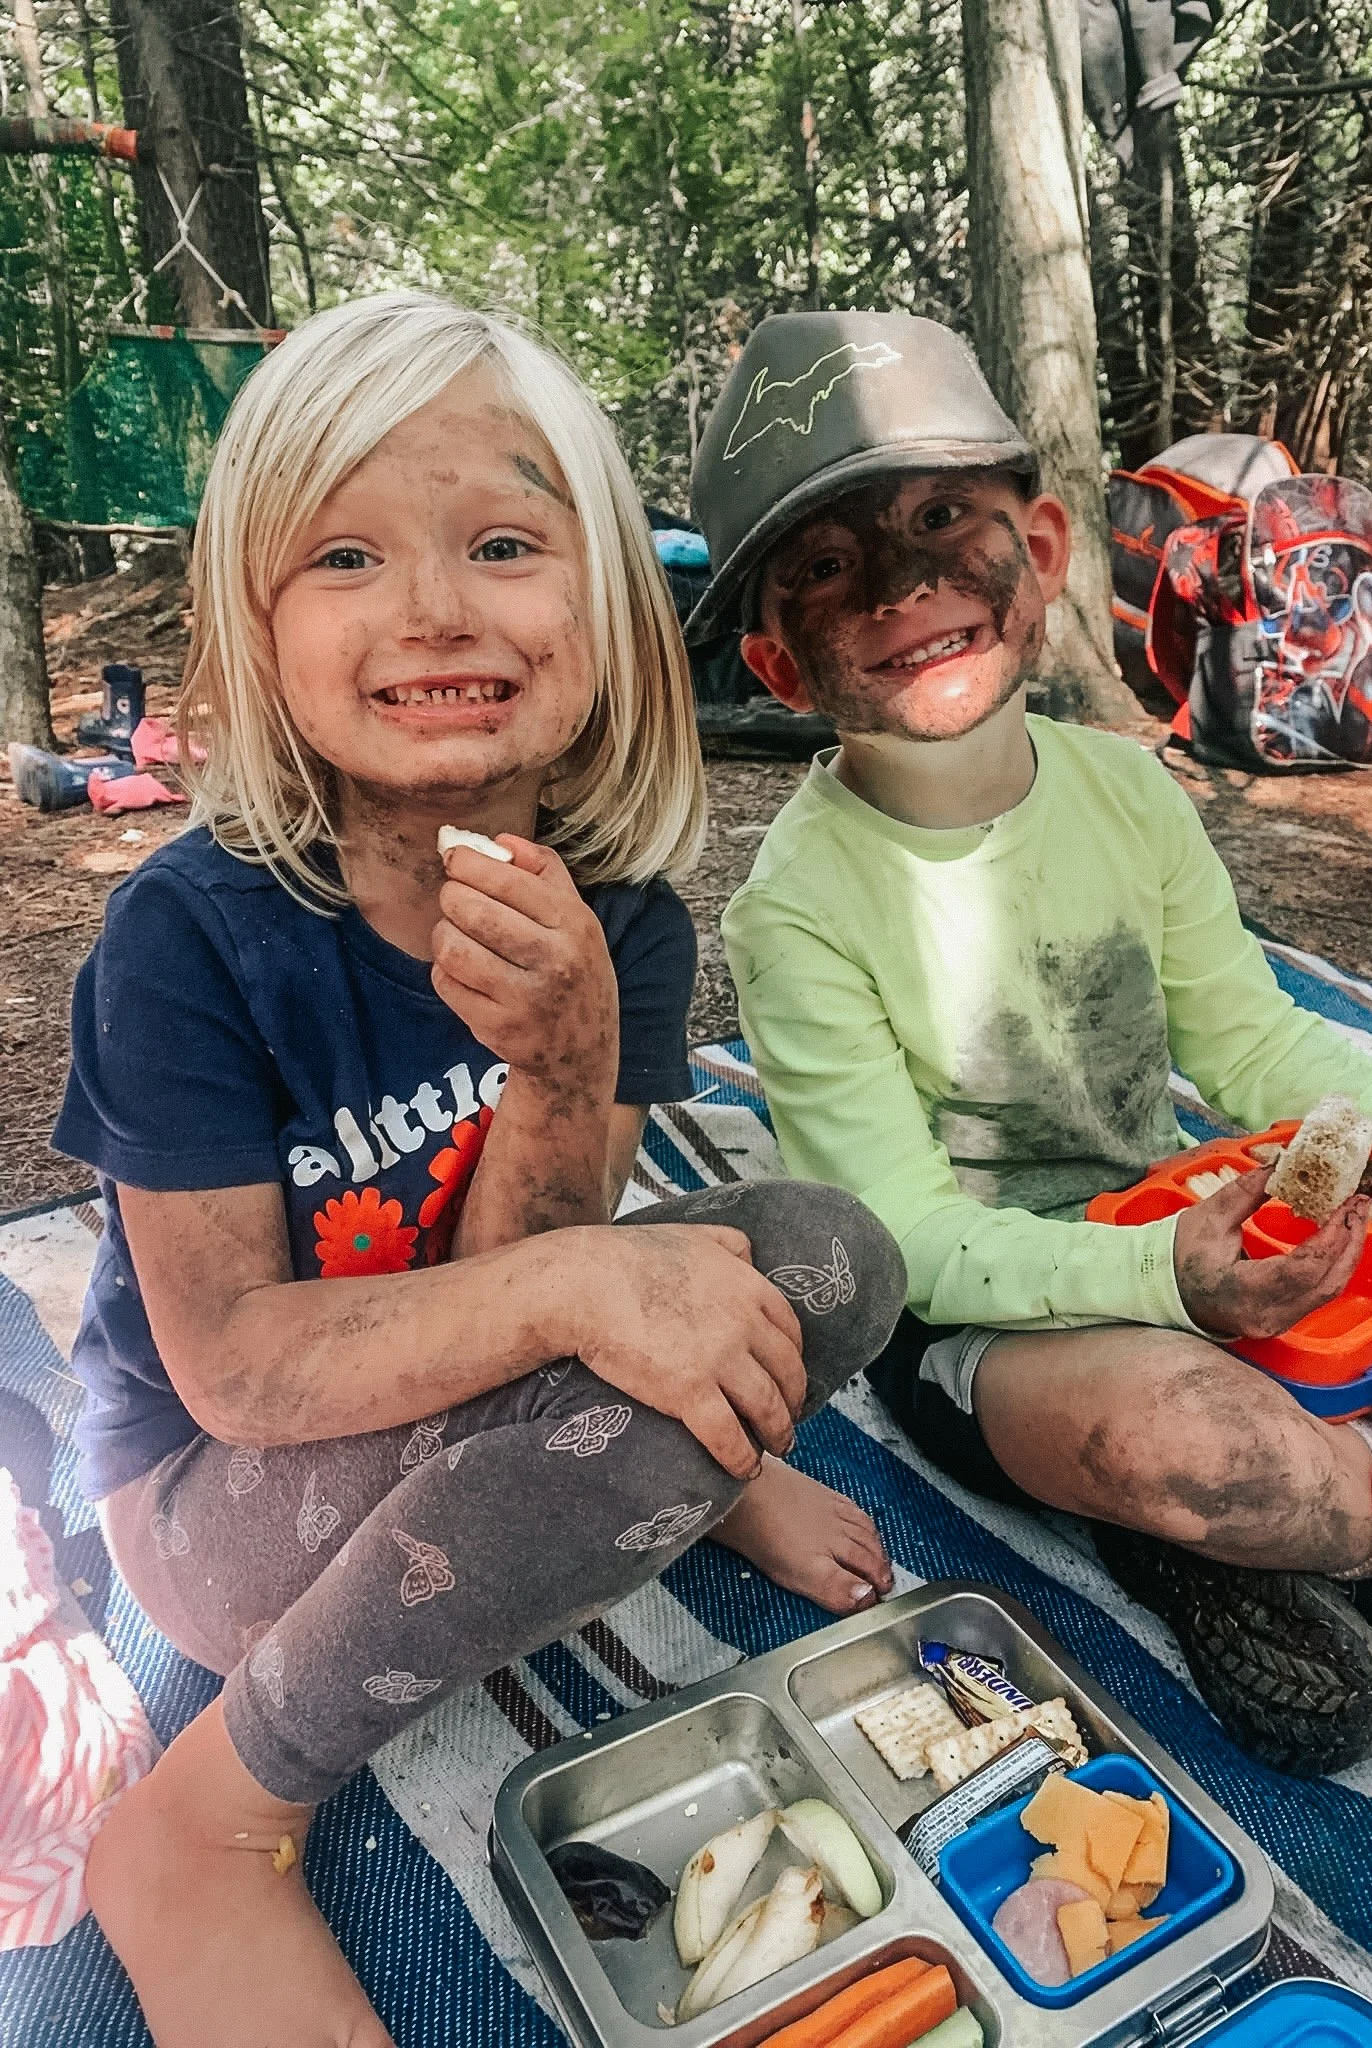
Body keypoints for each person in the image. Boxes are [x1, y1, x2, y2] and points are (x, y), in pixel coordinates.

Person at [57, 294, 906, 2048]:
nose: (437, 606)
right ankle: (214, 1815)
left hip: (466, 1385)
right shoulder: (191, 940)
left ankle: (672, 1465)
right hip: (221, 1502)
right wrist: (593, 1294)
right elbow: (234, 1368)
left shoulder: (628, 924)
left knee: (826, 1257)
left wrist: (570, 1066)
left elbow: (546, 1264)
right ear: (259, 627)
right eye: (348, 555)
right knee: (656, 1365)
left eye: (506, 543)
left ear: (602, 605)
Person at [690, 308, 1372, 1776]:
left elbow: (1263, 1052)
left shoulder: (1131, 796)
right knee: (1190, 1444)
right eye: (830, 566)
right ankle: (1287, 1528)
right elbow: (906, 1243)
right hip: (992, 1337)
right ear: (776, 664)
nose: (904, 584)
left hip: (1190, 1226)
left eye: (943, 518)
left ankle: (1341, 1527)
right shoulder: (797, 912)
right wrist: (1161, 1282)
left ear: (1046, 550)